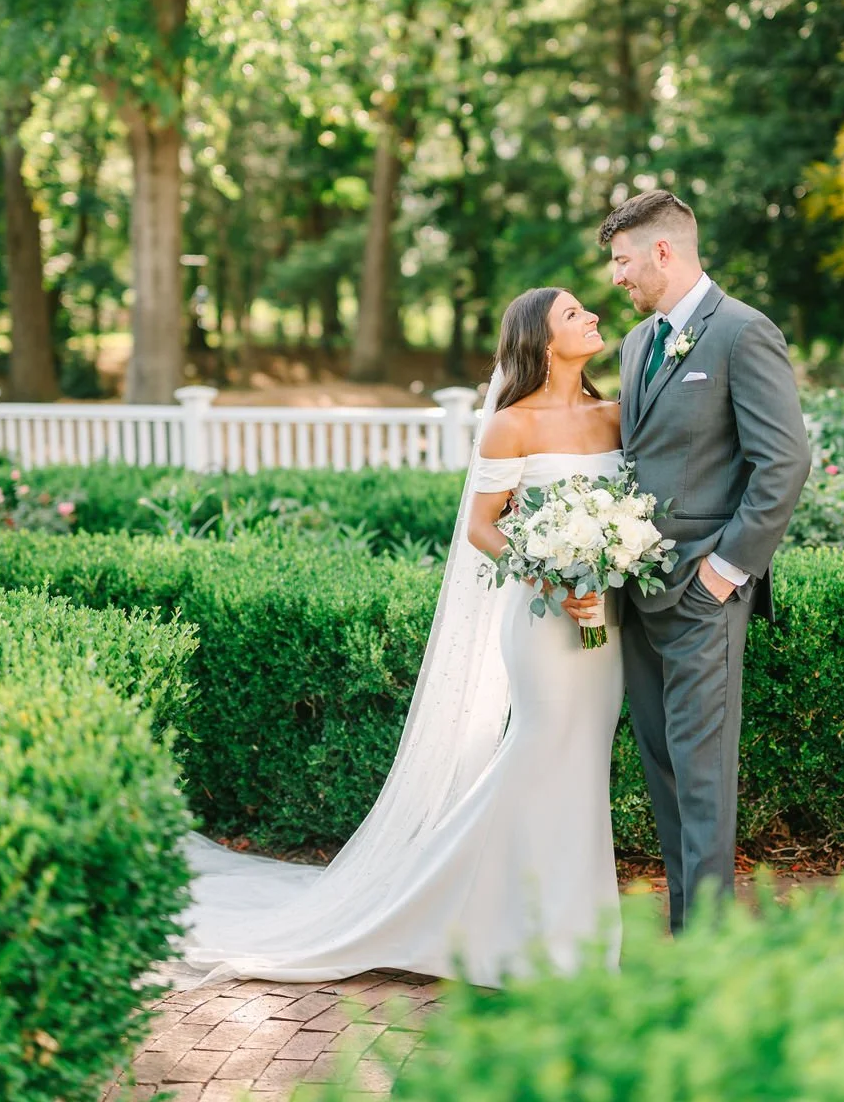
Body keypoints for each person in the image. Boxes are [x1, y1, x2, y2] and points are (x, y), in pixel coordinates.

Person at [176, 287, 625, 989]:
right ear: (541, 342)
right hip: (543, 623)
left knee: (584, 762)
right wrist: (553, 583)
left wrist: (610, 564)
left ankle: (569, 931)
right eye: (574, 313)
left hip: (607, 624)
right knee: (540, 752)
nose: (592, 315)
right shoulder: (511, 425)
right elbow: (483, 528)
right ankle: (446, 911)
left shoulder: (615, 415)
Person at [573, 189, 811, 932]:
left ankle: (705, 951)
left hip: (706, 594)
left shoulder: (744, 332)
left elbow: (784, 462)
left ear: (663, 252)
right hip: (637, 596)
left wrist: (724, 572)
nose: (615, 277)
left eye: (621, 260)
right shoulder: (638, 344)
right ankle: (685, 927)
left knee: (703, 775)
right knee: (664, 771)